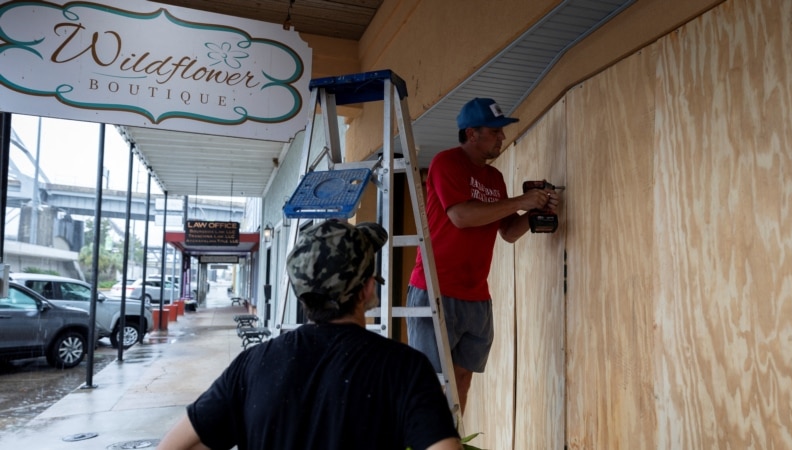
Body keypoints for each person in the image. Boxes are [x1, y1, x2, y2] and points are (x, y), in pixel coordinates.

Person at [158, 219, 462, 450]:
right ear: (368, 289)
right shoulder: (405, 369)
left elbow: (173, 445)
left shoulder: (252, 365)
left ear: (301, 295)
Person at [407, 97, 560, 412]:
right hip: (435, 289)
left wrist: (534, 213)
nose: (502, 137)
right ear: (471, 133)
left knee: (462, 380)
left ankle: (453, 441)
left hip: (476, 295)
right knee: (433, 383)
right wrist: (522, 200)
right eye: (495, 131)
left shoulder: (495, 178)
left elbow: (507, 232)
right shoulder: (446, 162)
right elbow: (461, 217)